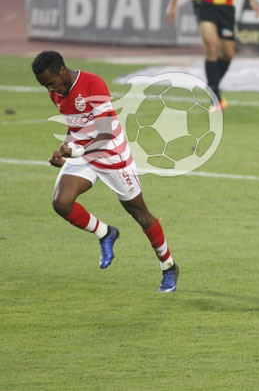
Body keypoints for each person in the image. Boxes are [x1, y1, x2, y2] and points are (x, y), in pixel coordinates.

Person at [31, 51, 179, 292]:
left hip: (112, 155)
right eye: (44, 86)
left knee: (140, 213)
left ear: (62, 70)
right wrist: (63, 150)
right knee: (61, 202)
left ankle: (168, 266)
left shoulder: (92, 83)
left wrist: (76, 151)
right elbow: (74, 125)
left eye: (50, 82)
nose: (49, 89)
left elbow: (105, 133)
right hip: (83, 154)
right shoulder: (57, 92)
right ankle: (106, 233)